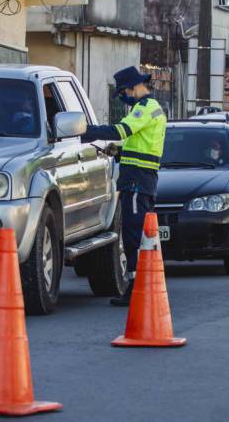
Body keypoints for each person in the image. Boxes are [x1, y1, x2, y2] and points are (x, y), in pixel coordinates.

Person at [81, 66, 166, 306]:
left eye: (123, 92)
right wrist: (119, 151)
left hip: (137, 181)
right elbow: (138, 144)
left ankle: (136, 290)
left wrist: (86, 132)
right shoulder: (149, 108)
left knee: (133, 235)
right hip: (139, 179)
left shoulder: (145, 108)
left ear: (133, 87)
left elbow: (121, 130)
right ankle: (141, 287)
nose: (123, 97)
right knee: (138, 235)